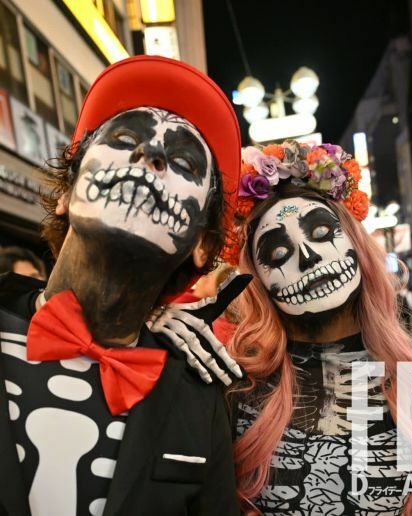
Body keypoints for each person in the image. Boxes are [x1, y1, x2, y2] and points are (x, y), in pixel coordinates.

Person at [0, 55, 243, 515]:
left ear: (202, 245)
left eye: (184, 164)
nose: (149, 155)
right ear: (65, 195)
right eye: (125, 138)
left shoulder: (196, 396)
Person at [226, 141, 412, 515]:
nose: (307, 257)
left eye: (322, 233)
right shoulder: (240, 389)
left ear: (357, 248)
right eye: (277, 254)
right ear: (259, 281)